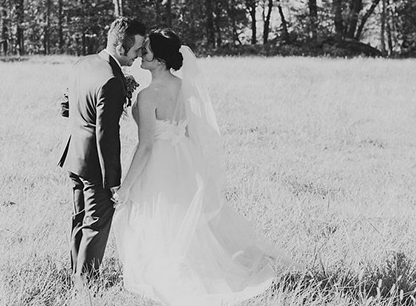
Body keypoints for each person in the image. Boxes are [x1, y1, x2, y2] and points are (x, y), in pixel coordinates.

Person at [113, 28, 293, 306]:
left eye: (145, 51)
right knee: (182, 216)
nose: (139, 57)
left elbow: (146, 144)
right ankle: (189, 264)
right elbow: (189, 131)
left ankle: (169, 272)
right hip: (182, 158)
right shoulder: (184, 87)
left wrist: (126, 187)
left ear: (159, 60)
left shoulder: (148, 95)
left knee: (159, 214)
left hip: (159, 161)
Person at [58, 16, 146, 288]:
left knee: (80, 218)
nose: (139, 56)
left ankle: (77, 274)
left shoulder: (83, 63)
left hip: (73, 155)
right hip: (95, 163)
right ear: (120, 48)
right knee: (97, 221)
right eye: (136, 50)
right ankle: (86, 286)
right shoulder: (110, 80)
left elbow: (65, 105)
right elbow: (107, 136)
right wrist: (114, 182)